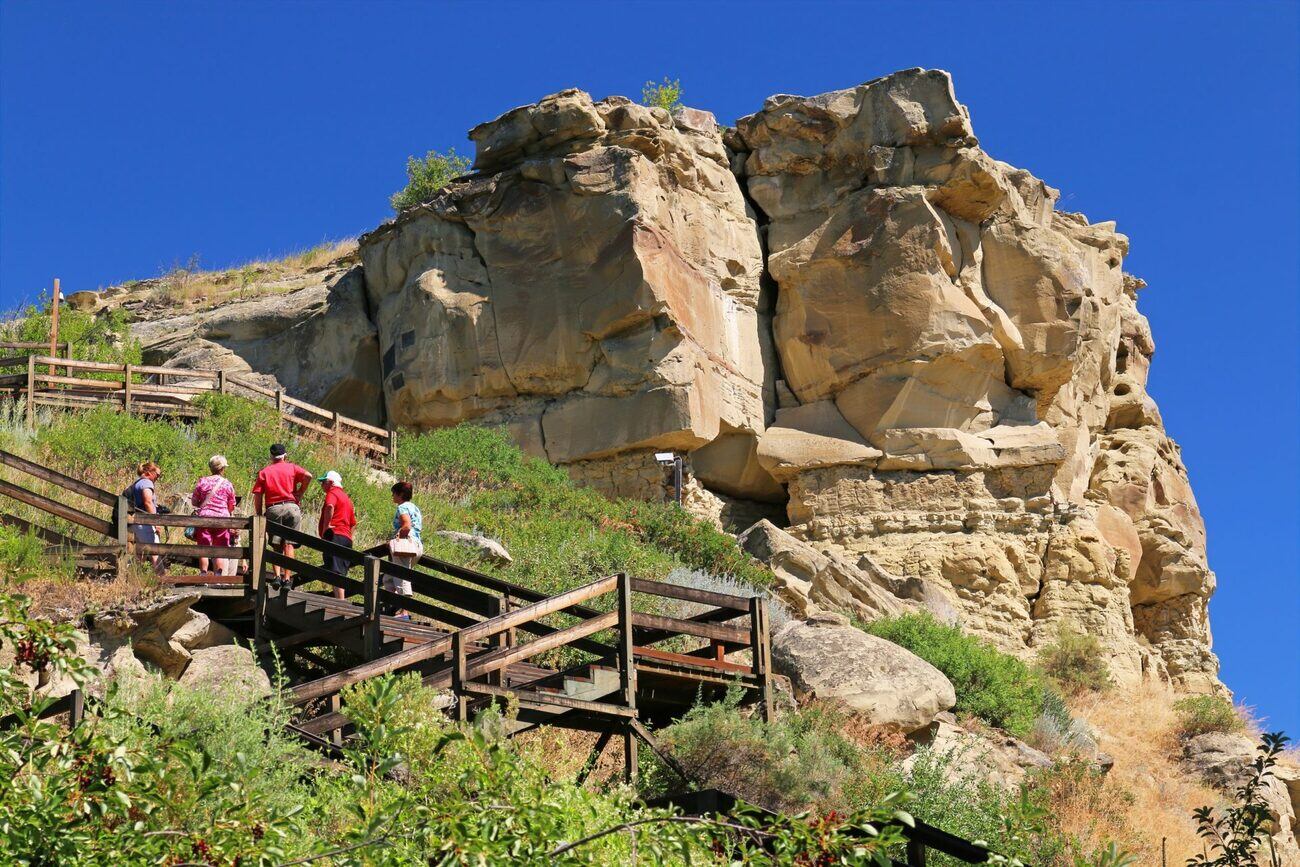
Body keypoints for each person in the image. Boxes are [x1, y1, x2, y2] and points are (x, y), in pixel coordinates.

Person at [251, 443, 312, 589]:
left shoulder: (264, 472)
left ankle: (277, 577)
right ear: (285, 455)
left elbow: (258, 495)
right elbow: (308, 475)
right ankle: (287, 579)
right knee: (289, 544)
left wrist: (259, 513)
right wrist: (301, 492)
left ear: (271, 456)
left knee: (276, 544)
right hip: (292, 507)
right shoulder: (292, 467)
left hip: (274, 509)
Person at [190, 454, 237, 576]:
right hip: (222, 520)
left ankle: (203, 574)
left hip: (204, 519)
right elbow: (232, 505)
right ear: (222, 469)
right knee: (220, 549)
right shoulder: (227, 484)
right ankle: (218, 576)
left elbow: (194, 502)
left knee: (203, 548)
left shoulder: (203, 481)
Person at [385, 481, 423, 618]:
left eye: (393, 493)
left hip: (406, 545)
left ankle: (404, 612)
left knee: (401, 577)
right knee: (388, 578)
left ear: (400, 494)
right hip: (416, 545)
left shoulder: (402, 507)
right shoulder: (415, 508)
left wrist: (397, 537)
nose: (392, 496)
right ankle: (393, 607)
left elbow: (406, 526)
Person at [316, 470, 357, 600]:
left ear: (331, 482)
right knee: (340, 571)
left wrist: (326, 526)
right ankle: (340, 599)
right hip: (346, 537)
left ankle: (341, 602)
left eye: (323, 482)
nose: (322, 485)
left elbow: (329, 506)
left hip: (335, 535)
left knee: (335, 570)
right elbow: (353, 523)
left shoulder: (332, 493)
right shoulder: (347, 499)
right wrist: (350, 536)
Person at [129, 461, 164, 573]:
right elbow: (148, 502)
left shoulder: (138, 483)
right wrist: (156, 523)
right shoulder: (147, 483)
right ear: (149, 472)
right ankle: (162, 579)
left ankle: (132, 576)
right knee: (154, 551)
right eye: (157, 475)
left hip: (137, 522)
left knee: (141, 553)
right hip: (145, 523)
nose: (158, 477)